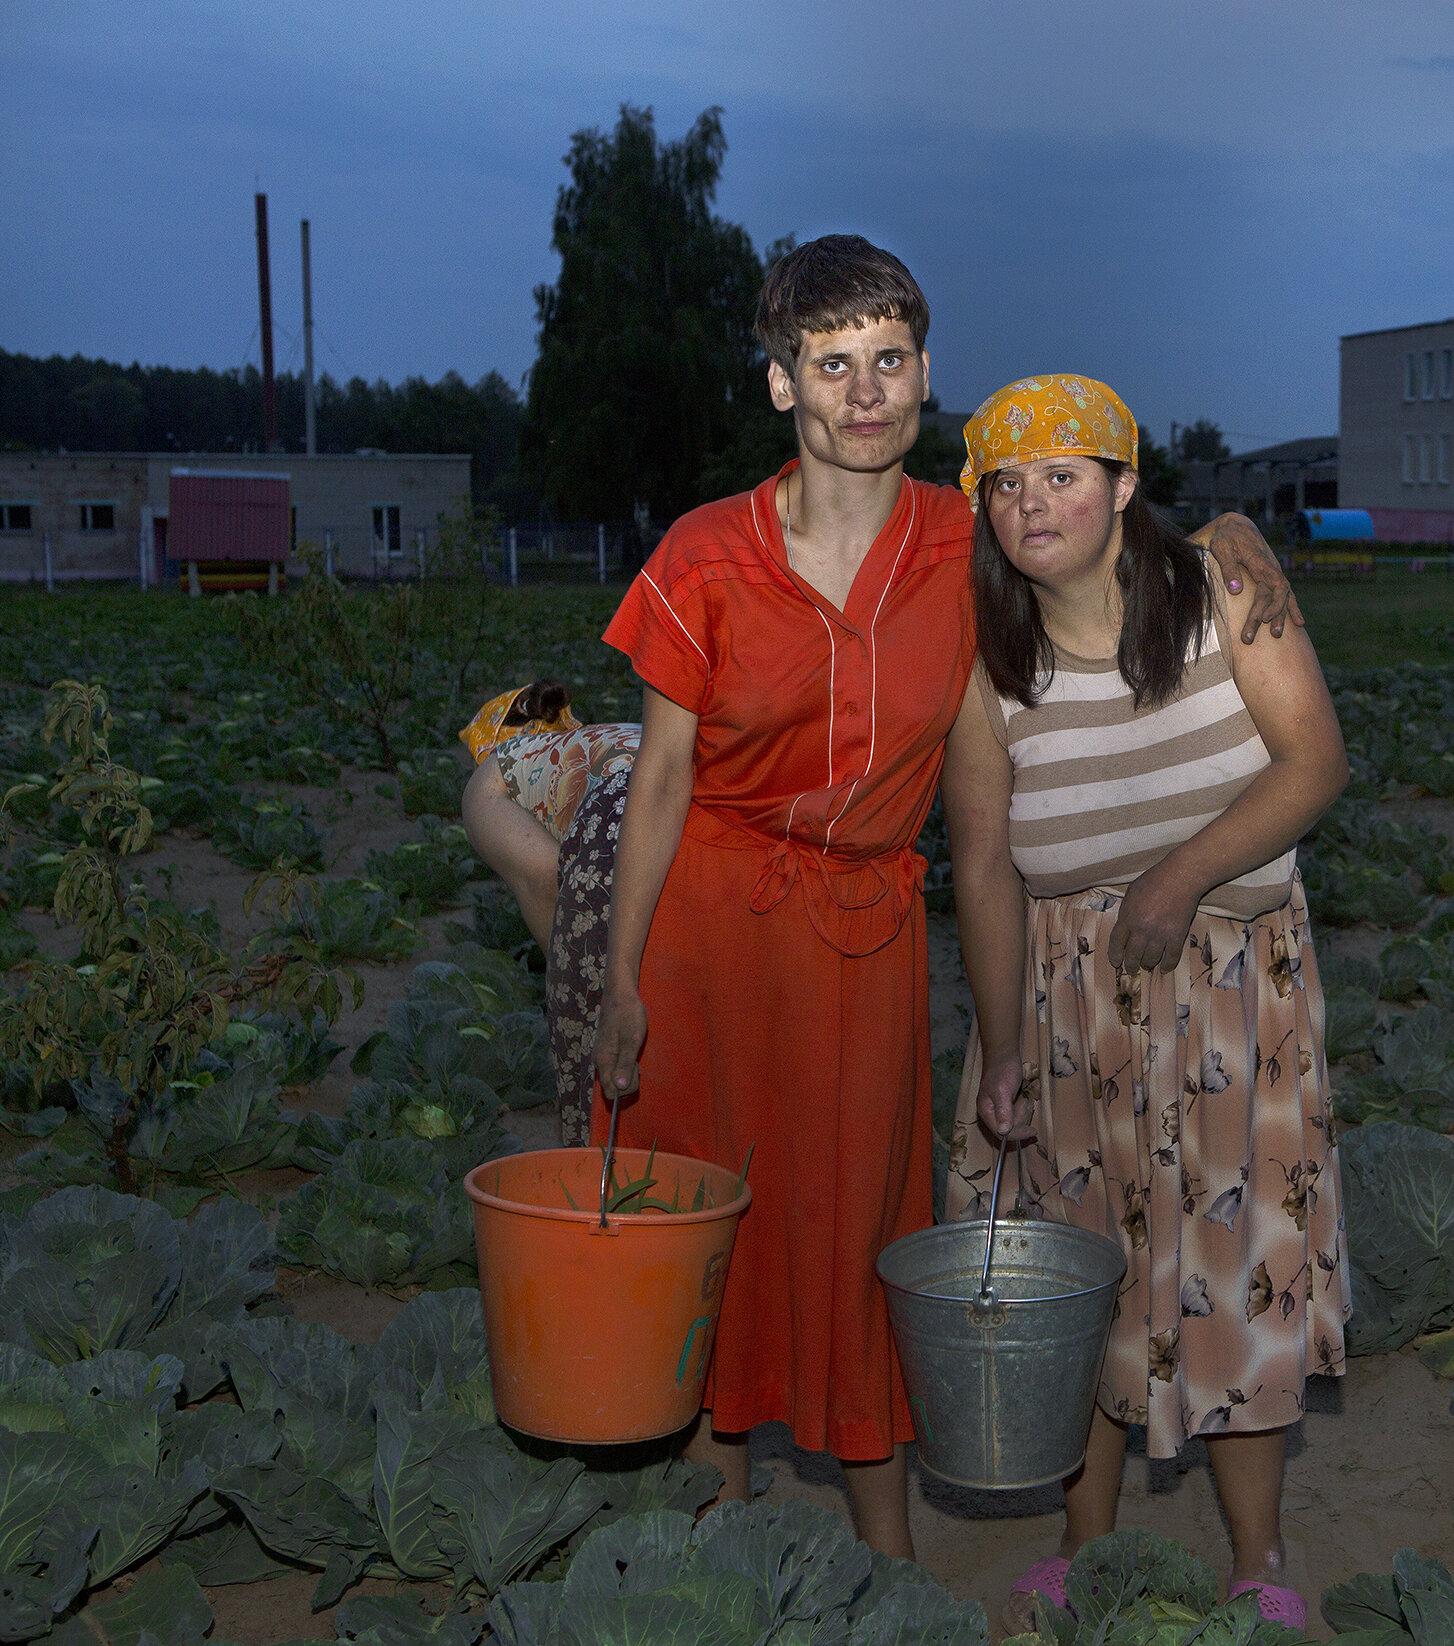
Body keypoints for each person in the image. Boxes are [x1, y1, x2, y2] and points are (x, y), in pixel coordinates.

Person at [583, 235, 1292, 1560]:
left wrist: (1223, 547)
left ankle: (886, 1547)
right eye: (831, 364)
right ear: (782, 384)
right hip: (704, 922)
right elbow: (664, 779)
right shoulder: (703, 552)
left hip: (862, 923)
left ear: (923, 378)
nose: (864, 392)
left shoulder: (968, 546)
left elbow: (1098, 578)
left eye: (889, 361)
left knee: (861, 1220)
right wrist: (620, 978)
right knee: (706, 1211)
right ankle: (712, 1514)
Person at [939, 375, 1351, 1629]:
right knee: (1084, 1272)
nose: (1032, 502)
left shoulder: (1226, 578)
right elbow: (984, 867)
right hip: (1070, 1009)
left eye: (1063, 473)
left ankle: (1259, 1554)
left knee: (1240, 1267)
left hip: (1233, 984)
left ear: (1123, 487)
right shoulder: (987, 660)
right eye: (1006, 484)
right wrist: (1001, 1045)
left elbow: (1315, 761)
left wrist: (1176, 875)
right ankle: (1084, 1540)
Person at [457, 679, 641, 953]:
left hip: (628, 817)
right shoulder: (594, 737)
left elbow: (544, 878)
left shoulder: (492, 772)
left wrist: (564, 974)